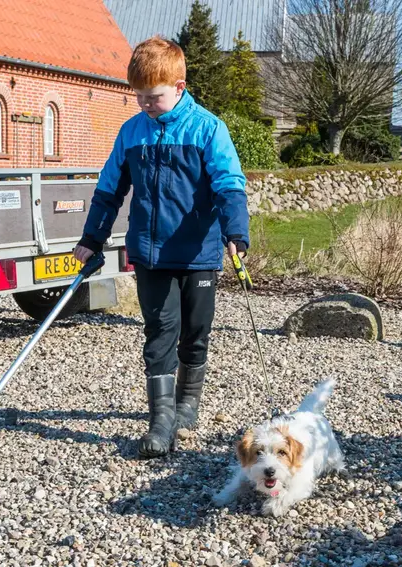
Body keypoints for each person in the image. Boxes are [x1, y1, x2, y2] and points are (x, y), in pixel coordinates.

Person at [73, 36, 250, 459]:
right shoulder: (132, 132)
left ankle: (188, 404)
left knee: (195, 332)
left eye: (153, 97)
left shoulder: (208, 129)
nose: (145, 105)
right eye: (139, 97)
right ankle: (161, 421)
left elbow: (229, 185)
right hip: (150, 253)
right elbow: (108, 190)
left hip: (198, 253)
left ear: (180, 87)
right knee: (159, 333)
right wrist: (90, 238)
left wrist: (236, 233)